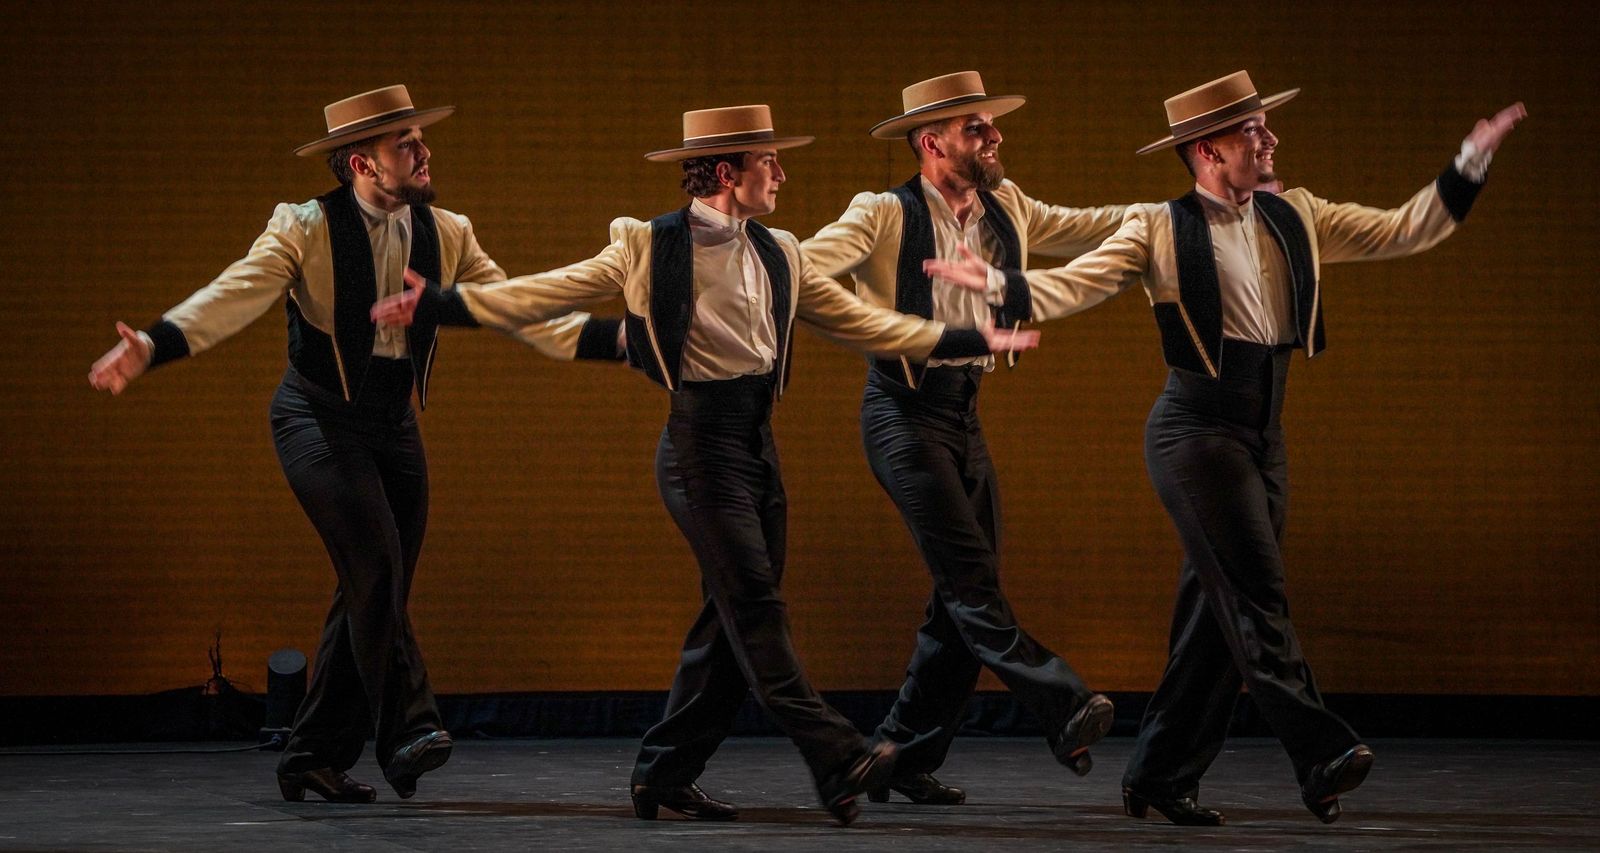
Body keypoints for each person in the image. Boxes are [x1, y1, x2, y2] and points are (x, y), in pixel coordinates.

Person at [371, 103, 1040, 826]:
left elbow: (863, 321)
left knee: (726, 626)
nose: (782, 174)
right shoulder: (650, 244)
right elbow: (553, 290)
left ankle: (662, 772)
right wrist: (443, 303)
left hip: (756, 444)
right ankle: (838, 752)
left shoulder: (778, 249)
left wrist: (962, 334)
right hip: (697, 449)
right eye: (769, 163)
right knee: (755, 607)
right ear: (727, 173)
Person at [924, 71, 1524, 825]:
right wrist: (1003, 283)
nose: (1269, 139)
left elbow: (1406, 228)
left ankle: (1161, 773)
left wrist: (1470, 157)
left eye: (1266, 127)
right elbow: (1075, 284)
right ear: (1208, 151)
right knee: (1257, 594)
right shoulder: (1159, 227)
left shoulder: (1295, 213)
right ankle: (1320, 749)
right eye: (1253, 131)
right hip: (1195, 434)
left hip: (1261, 432)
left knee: (1217, 614)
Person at [87, 85, 611, 803]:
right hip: (316, 417)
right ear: (362, 163)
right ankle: (409, 728)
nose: (424, 152)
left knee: (369, 588)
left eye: (421, 139)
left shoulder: (447, 229)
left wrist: (624, 342)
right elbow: (237, 291)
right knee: (377, 567)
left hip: (394, 425)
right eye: (407, 145)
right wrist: (156, 342)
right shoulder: (303, 226)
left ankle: (309, 755)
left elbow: (511, 305)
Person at [799, 71, 1127, 805]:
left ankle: (905, 755)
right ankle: (1063, 700)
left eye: (990, 125)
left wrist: (1184, 214)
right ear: (932, 141)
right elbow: (799, 270)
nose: (994, 137)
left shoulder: (1006, 206)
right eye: (977, 128)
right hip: (902, 412)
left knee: (958, 601)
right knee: (972, 582)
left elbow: (1092, 221)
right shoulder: (882, 213)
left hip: (962, 415)